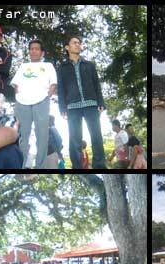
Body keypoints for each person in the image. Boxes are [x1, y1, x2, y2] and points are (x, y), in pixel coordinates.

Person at [57, 34, 106, 169]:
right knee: (75, 139)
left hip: (91, 104)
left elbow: (96, 84)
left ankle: (100, 165)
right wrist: (62, 108)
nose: (77, 44)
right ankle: (77, 166)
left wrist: (101, 102)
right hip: (72, 107)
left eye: (79, 43)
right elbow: (60, 89)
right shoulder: (62, 67)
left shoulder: (89, 65)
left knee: (96, 136)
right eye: (74, 42)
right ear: (67, 47)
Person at [11, 39, 57, 168]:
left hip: (41, 101)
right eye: (31, 48)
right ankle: (22, 164)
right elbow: (16, 83)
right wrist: (18, 95)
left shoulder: (48, 66)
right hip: (23, 102)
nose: (34, 51)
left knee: (41, 134)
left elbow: (53, 83)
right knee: (23, 134)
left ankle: (40, 166)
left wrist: (47, 95)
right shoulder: (23, 66)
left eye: (37, 48)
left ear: (42, 53)